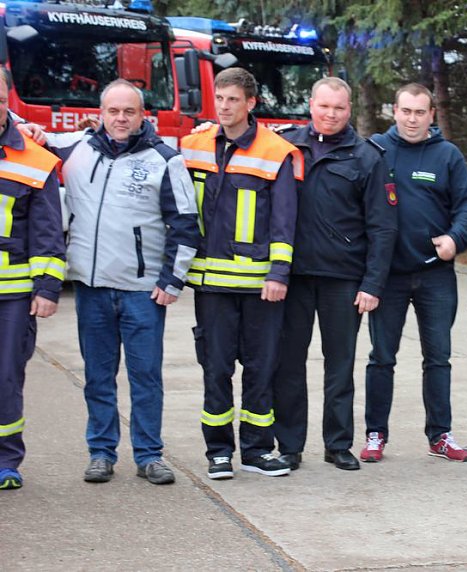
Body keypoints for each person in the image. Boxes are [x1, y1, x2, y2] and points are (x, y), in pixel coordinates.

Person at [41, 79, 199, 485]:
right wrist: (30, 129)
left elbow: (185, 224)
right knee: (97, 375)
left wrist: (172, 280)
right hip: (92, 289)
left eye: (129, 111)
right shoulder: (76, 148)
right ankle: (101, 451)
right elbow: (29, 133)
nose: (121, 118)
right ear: (101, 113)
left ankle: (149, 454)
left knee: (145, 376)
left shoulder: (165, 159)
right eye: (113, 111)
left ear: (142, 114)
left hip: (143, 291)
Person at [181, 68, 301, 480]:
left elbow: (285, 222)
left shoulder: (276, 151)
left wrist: (278, 274)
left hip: (259, 287)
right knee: (215, 369)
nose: (225, 106)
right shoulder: (192, 145)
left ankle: (256, 450)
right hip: (210, 284)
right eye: (221, 98)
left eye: (234, 99)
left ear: (251, 103)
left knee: (260, 368)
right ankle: (218, 452)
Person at [272, 77, 397, 471]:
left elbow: (382, 226)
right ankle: (289, 445)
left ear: (350, 110)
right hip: (293, 277)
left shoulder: (367, 157)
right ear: (311, 105)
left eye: (339, 108)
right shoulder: (285, 146)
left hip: (343, 279)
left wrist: (372, 283)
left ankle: (337, 444)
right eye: (324, 106)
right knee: (288, 364)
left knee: (340, 366)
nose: (331, 114)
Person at [360, 83, 467, 463]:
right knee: (382, 357)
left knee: (438, 358)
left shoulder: (448, 155)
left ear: (432, 115)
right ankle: (376, 434)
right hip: (388, 276)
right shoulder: (375, 150)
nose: (412, 119)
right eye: (406, 111)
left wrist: (456, 238)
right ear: (394, 111)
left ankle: (440, 435)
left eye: (420, 112)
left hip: (435, 275)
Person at [0, 72, 64, 491]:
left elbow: (47, 231)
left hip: (12, 294)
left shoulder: (36, 159)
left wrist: (46, 287)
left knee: (6, 376)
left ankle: (6, 460)